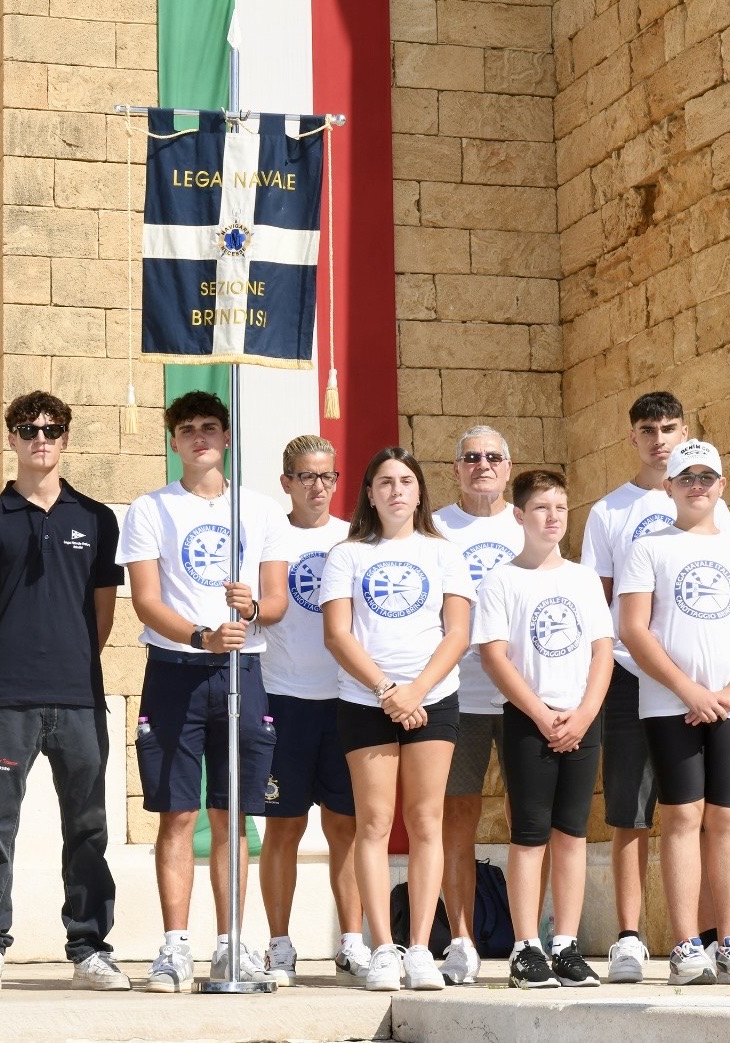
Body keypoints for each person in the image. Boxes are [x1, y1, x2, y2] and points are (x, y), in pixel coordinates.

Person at [115, 391, 288, 992]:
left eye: (210, 427)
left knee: (231, 813)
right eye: (187, 429)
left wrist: (253, 609)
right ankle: (175, 946)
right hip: (175, 669)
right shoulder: (150, 509)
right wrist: (198, 636)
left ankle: (230, 944)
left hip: (242, 671)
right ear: (173, 441)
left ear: (227, 437)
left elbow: (277, 601)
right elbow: (145, 600)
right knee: (178, 813)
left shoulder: (259, 510)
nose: (199, 437)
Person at [0, 391, 129, 993]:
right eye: (28, 429)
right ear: (11, 437)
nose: (40, 438)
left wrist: (68, 660)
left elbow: (103, 614)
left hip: (80, 698)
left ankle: (89, 947)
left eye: (52, 430)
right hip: (8, 699)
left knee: (87, 827)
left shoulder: (97, 518)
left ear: (65, 439)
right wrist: (16, 658)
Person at [579, 391, 730, 983]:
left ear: (685, 433)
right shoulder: (609, 511)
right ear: (633, 438)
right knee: (631, 808)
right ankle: (629, 937)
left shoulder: (712, 504)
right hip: (630, 673)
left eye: (669, 428)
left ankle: (706, 938)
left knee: (702, 809)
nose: (659, 439)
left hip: (703, 684)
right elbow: (596, 601)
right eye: (648, 430)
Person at [617, 439, 730, 986]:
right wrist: (689, 690)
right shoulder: (649, 549)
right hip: (671, 705)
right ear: (668, 486)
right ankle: (686, 946)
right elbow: (633, 628)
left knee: (729, 818)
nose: (697, 486)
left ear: (722, 486)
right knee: (683, 816)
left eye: (706, 477)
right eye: (686, 478)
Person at [321, 447, 474, 993]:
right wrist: (387, 690)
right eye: (385, 482)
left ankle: (421, 949)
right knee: (374, 823)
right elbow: (337, 634)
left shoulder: (443, 552)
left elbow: (457, 633)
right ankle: (383, 948)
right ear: (369, 493)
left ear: (419, 491)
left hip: (433, 698)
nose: (396, 491)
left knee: (427, 820)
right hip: (367, 702)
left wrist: (416, 691)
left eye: (406, 481)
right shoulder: (348, 555)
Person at [474, 470, 612, 989]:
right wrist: (539, 713)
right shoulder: (502, 581)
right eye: (540, 508)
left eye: (560, 507)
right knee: (530, 834)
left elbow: (602, 651)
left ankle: (566, 945)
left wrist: (585, 713)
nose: (553, 517)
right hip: (530, 719)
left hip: (581, 719)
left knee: (572, 833)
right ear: (519, 515)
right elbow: (495, 656)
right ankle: (526, 947)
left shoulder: (582, 579)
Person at [257, 434, 367, 986]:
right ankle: (279, 946)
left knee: (347, 826)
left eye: (328, 476)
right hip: (283, 698)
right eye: (306, 476)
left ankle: (352, 941)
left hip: (347, 699)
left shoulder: (355, 538)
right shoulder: (266, 538)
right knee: (284, 827)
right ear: (287, 482)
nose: (318, 487)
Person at [431, 425, 523, 985]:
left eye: (492, 456)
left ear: (508, 467)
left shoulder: (528, 522)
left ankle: (529, 936)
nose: (482, 465)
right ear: (456, 468)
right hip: (456, 693)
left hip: (523, 696)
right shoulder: (436, 527)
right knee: (457, 817)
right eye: (471, 457)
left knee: (525, 818)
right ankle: (461, 940)